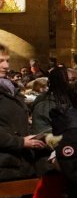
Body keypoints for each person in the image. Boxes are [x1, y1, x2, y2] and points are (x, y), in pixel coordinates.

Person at [0, 45, 45, 183]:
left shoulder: (10, 88)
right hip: (5, 165)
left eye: (7, 60)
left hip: (18, 162)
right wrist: (20, 142)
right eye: (1, 61)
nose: (6, 65)